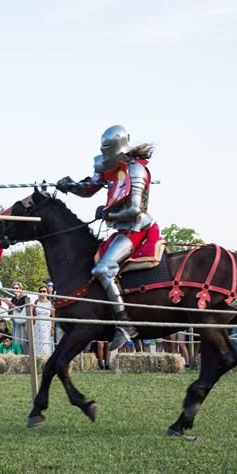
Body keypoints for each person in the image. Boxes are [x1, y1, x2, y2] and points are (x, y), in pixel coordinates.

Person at [56, 124, 156, 350]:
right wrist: (69, 186)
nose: (103, 152)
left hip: (136, 228)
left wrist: (107, 212)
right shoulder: (108, 167)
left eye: (107, 147)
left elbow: (134, 210)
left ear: (118, 146)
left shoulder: (136, 171)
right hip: (119, 228)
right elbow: (89, 188)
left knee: (103, 268)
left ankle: (124, 324)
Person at [5, 282, 31, 353]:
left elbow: (20, 310)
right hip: (15, 322)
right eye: (13, 288)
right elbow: (9, 312)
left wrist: (11, 304)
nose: (15, 289)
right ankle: (19, 355)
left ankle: (26, 355)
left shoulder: (25, 298)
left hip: (23, 322)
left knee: (23, 342)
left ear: (20, 289)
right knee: (16, 341)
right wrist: (9, 305)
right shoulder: (13, 299)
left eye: (17, 288)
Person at [31, 285, 55, 356]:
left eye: (44, 291)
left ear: (47, 292)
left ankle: (46, 358)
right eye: (40, 291)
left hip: (47, 325)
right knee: (38, 342)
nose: (42, 292)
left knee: (46, 342)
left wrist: (53, 328)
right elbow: (31, 313)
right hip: (37, 325)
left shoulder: (50, 303)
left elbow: (53, 316)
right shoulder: (36, 302)